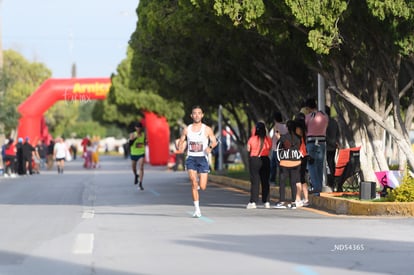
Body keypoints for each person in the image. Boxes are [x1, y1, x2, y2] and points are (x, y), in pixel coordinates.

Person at [176, 105, 218, 218]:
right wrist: (179, 145)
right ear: (191, 115)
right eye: (194, 113)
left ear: (202, 115)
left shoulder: (207, 129)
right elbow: (181, 142)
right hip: (191, 158)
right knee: (193, 182)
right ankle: (197, 209)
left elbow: (214, 141)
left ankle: (199, 181)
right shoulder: (187, 129)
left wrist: (209, 147)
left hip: (202, 158)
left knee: (203, 187)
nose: (197, 115)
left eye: (199, 113)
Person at [274, 120, 303, 209]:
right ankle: (294, 202)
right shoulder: (298, 138)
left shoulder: (283, 137)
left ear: (287, 127)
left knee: (282, 182)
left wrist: (278, 136)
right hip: (296, 162)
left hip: (285, 163)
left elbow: (280, 146)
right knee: (293, 182)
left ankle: (282, 201)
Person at [305, 98, 329, 195]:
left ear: (308, 108)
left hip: (311, 142)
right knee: (319, 165)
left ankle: (316, 187)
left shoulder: (308, 117)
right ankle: (319, 187)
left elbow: (305, 129)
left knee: (311, 166)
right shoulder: (324, 116)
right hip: (322, 142)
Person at [246, 121, 272, 209]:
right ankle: (266, 201)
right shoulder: (268, 139)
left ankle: (253, 202)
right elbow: (270, 148)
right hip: (265, 159)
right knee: (265, 181)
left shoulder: (252, 139)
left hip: (255, 159)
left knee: (255, 181)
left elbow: (248, 149)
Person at [294, 113, 310, 207]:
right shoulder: (305, 130)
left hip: (299, 155)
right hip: (304, 155)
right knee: (302, 178)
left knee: (298, 178)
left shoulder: (298, 131)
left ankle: (298, 198)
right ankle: (306, 199)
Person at [269, 111, 288, 184]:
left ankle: (272, 181)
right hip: (283, 149)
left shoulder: (276, 126)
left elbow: (275, 135)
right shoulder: (285, 126)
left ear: (274, 119)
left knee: (273, 166)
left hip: (276, 148)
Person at [325, 105, 340, 190]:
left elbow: (325, 135)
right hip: (333, 146)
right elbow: (338, 134)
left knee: (328, 165)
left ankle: (330, 182)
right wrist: (335, 143)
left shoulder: (324, 122)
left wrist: (330, 142)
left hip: (327, 146)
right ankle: (333, 182)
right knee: (332, 164)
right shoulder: (334, 122)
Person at [129, 122, 147, 190]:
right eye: (137, 127)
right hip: (134, 153)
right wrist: (135, 138)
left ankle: (140, 183)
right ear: (135, 128)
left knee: (141, 167)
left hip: (141, 153)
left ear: (141, 128)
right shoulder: (132, 134)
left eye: (139, 127)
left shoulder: (143, 134)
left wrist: (145, 143)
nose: (138, 129)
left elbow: (144, 142)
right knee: (133, 168)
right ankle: (136, 175)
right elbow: (130, 144)